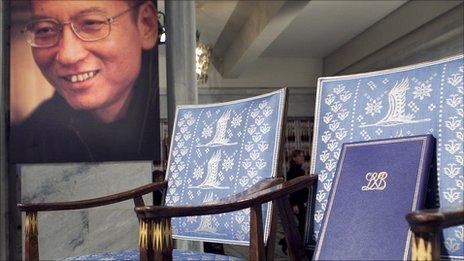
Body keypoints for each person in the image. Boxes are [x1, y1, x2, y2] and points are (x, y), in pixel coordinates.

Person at [10, 0, 159, 163]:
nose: (68, 55)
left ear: (146, 25)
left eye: (91, 23)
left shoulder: (180, 117)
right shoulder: (26, 141)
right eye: (45, 30)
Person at [279, 149, 309, 255]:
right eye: (300, 156)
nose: (302, 158)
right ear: (294, 158)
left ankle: (287, 242)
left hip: (301, 202)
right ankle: (287, 243)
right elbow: (293, 190)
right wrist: (295, 204)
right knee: (302, 225)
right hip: (298, 203)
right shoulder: (293, 172)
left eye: (302, 156)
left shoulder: (299, 170)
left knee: (302, 225)